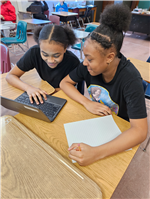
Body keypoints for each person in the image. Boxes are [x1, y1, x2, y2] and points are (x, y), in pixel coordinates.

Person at [60, 4, 148, 166]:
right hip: (95, 121)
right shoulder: (88, 66)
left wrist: (96, 153)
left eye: (90, 59)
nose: (84, 62)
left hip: (119, 131)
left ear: (110, 57)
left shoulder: (130, 79)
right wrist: (87, 103)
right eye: (85, 57)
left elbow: (140, 131)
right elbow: (65, 82)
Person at [6, 24, 80, 105]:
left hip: (63, 97)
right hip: (46, 93)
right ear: (39, 46)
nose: (50, 60)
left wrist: (46, 92)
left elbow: (69, 89)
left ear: (65, 48)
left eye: (56, 56)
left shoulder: (73, 62)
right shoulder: (34, 52)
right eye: (45, 54)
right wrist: (28, 88)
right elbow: (10, 76)